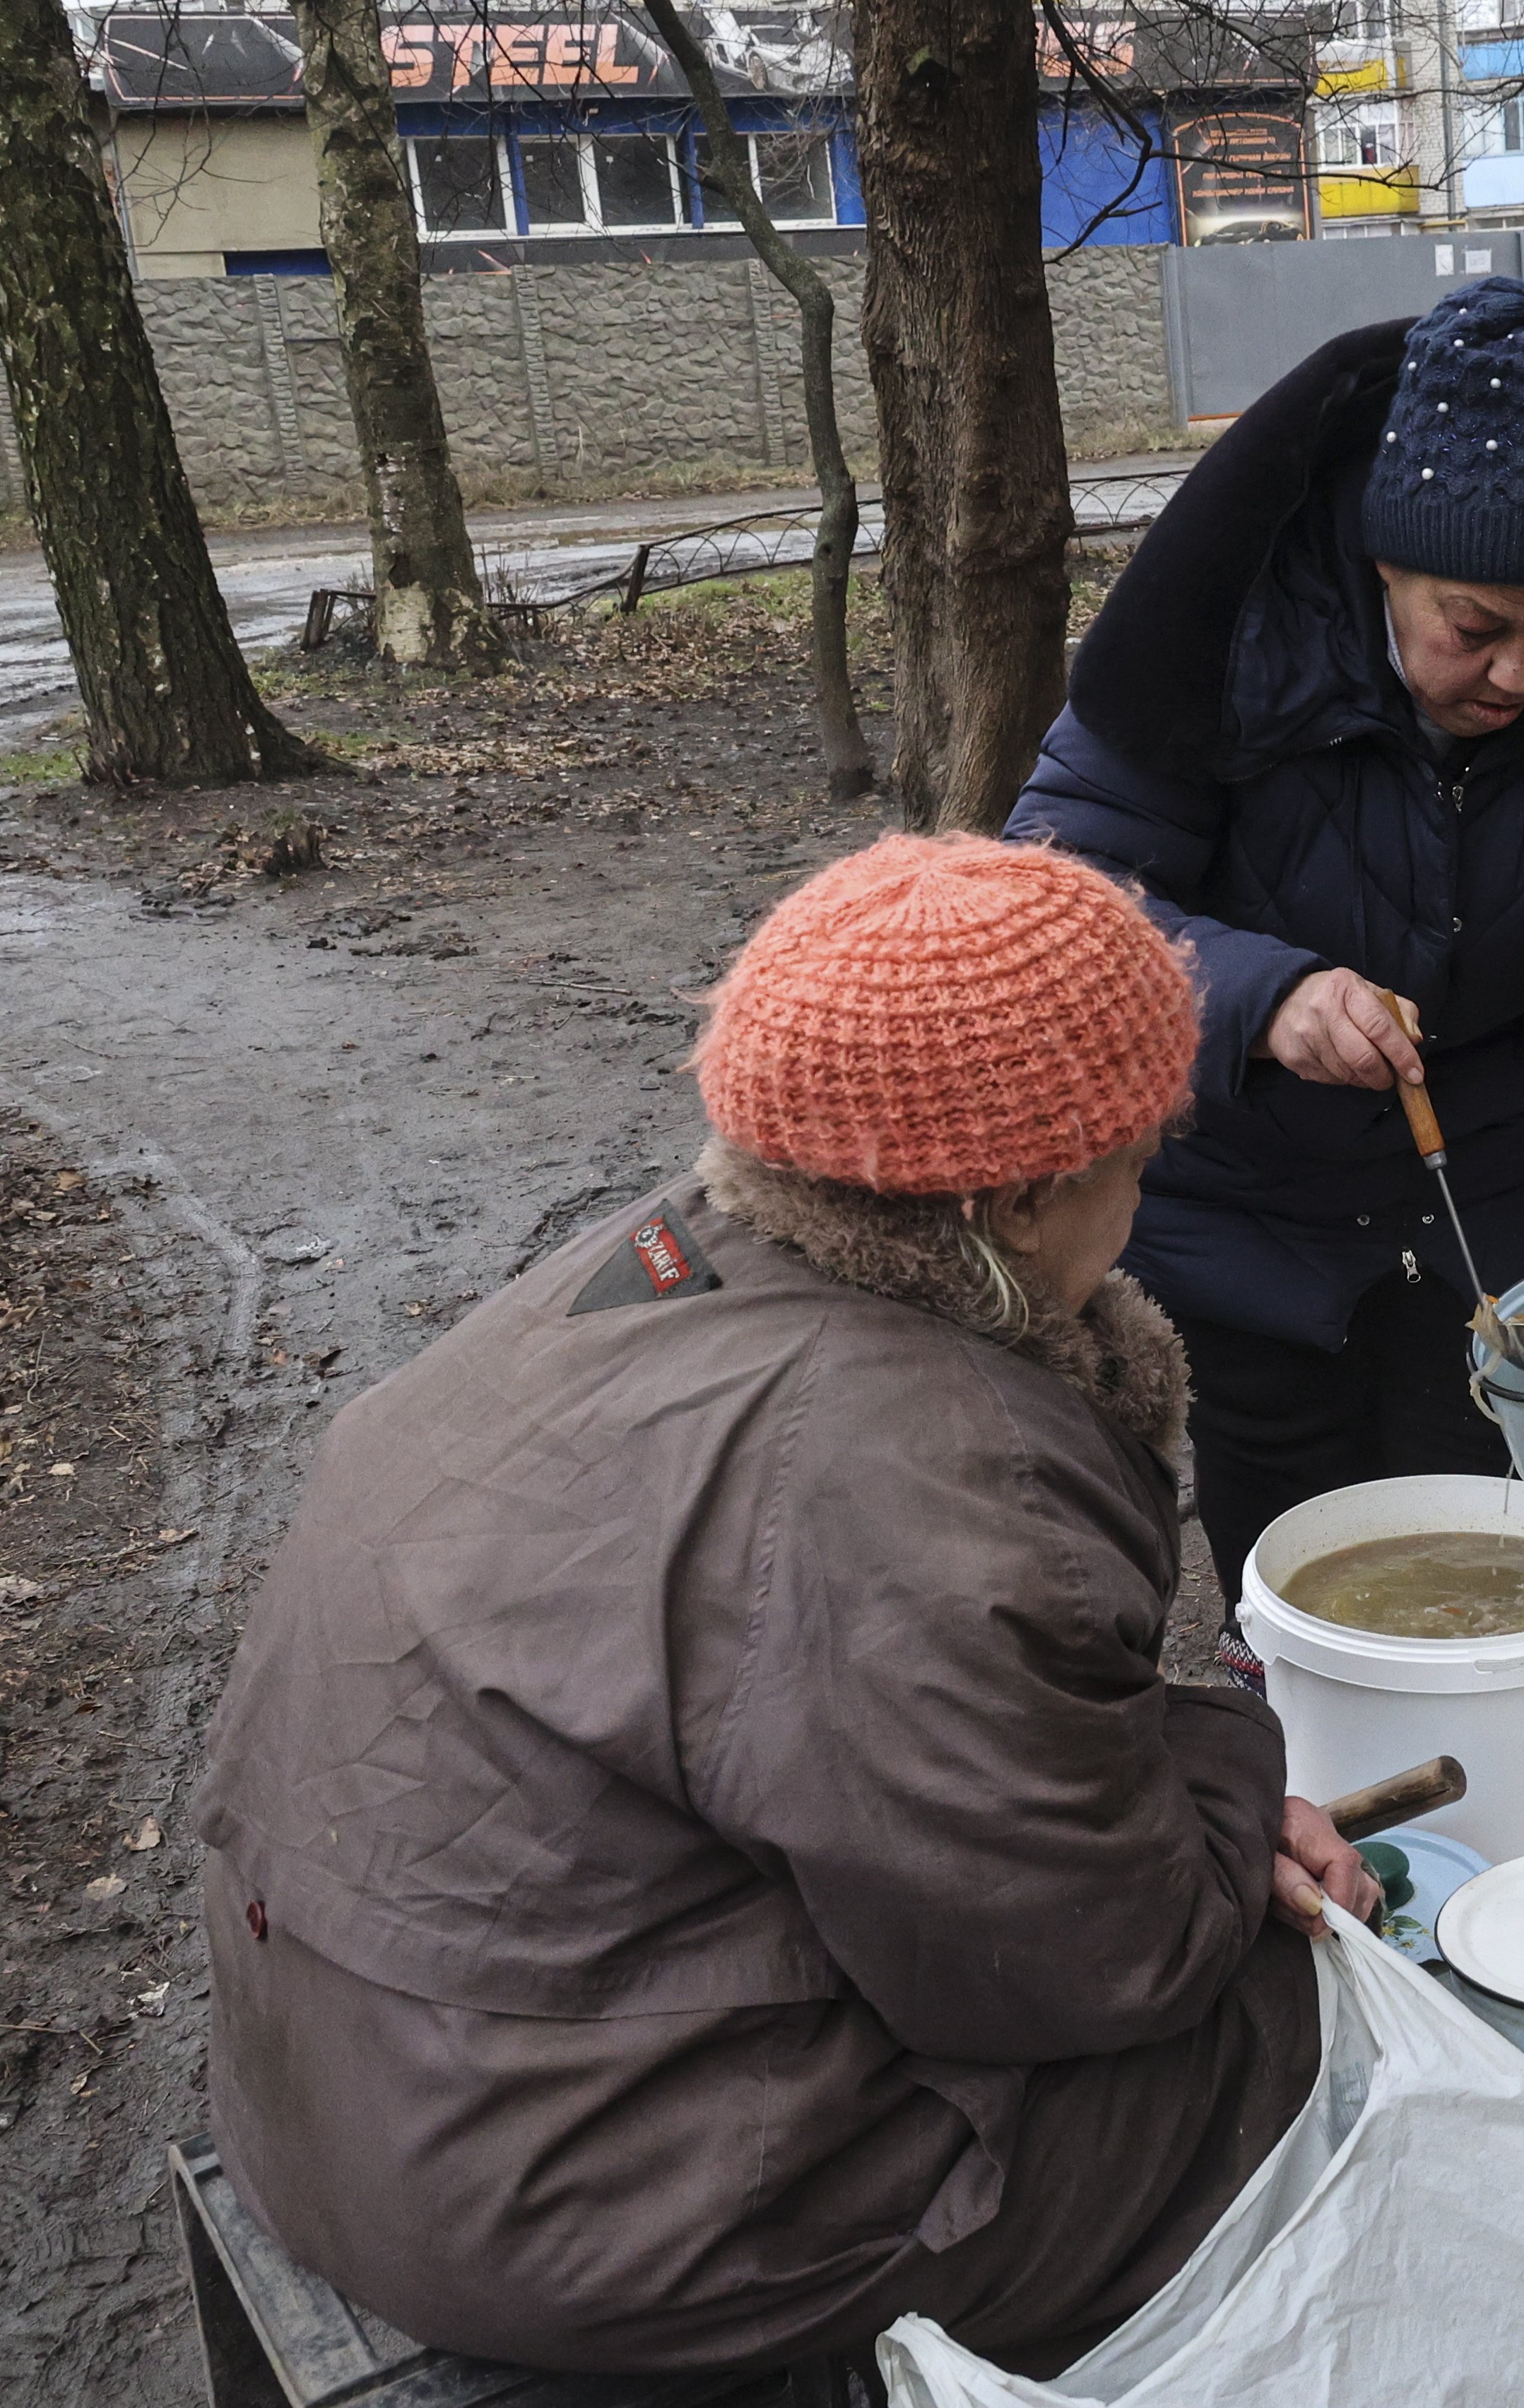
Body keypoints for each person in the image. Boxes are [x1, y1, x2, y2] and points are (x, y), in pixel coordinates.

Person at [193, 836, 1377, 2376]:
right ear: (1022, 1199)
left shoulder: (650, 1268)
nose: (1142, 1200)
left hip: (337, 2071)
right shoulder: (943, 1467)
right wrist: (1228, 1781)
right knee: (1294, 2032)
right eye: (1139, 1159)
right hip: (547, 2193)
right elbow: (1092, 1969)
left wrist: (1145, 1785)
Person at [1008, 275, 1524, 1613]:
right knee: (1294, 1567)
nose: (1519, 677)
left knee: (1490, 1553)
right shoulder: (1223, 647)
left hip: (1499, 1215)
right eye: (1477, 630)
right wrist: (1266, 998)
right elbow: (1061, 899)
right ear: (1384, 560)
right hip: (1249, 1215)